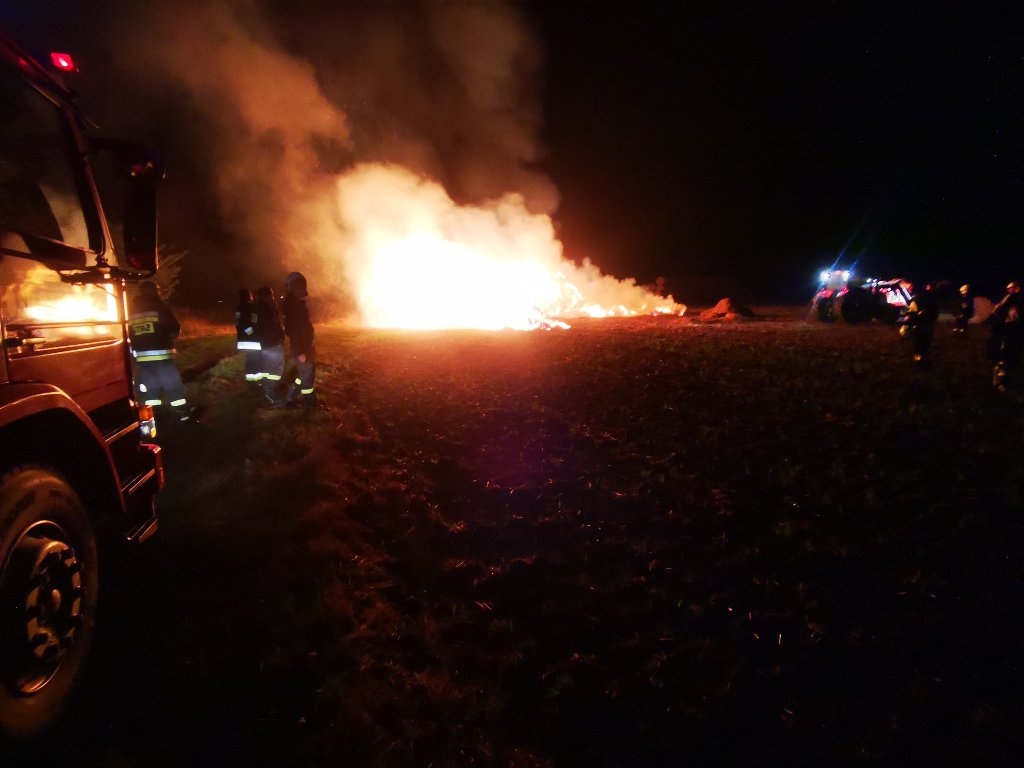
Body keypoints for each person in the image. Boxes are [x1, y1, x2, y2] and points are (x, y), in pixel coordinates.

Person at [128, 281, 193, 421]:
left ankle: (154, 417)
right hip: (162, 356)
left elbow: (131, 334)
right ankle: (183, 415)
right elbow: (174, 329)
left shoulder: (133, 311)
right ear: (154, 291)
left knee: (151, 388)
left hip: (143, 359)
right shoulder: (159, 307)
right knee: (172, 385)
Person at [281, 271, 317, 408]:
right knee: (306, 376)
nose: (301, 289)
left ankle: (291, 399)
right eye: (297, 286)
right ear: (291, 288)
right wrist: (300, 351)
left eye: (302, 285)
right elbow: (293, 331)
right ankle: (308, 401)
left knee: (306, 374)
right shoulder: (292, 306)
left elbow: (304, 328)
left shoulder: (298, 304)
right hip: (301, 348)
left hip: (305, 346)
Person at [253, 285, 286, 407]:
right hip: (272, 343)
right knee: (275, 370)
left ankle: (267, 392)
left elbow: (254, 326)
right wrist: (279, 338)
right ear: (266, 296)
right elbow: (274, 325)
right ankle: (271, 394)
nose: (273, 297)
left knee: (267, 369)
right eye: (271, 295)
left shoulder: (258, 308)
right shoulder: (267, 309)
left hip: (266, 344)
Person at [987, 281, 1023, 391]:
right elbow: (998, 313)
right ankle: (999, 381)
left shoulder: (1018, 300)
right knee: (1003, 357)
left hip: (1016, 332)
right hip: (1006, 332)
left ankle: (1004, 380)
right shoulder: (1007, 300)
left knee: (1012, 357)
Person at [903, 282, 939, 367]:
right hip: (927, 325)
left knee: (919, 342)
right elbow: (934, 312)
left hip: (920, 325)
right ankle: (923, 358)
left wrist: (909, 318)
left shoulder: (918, 299)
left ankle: (920, 359)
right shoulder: (930, 297)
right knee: (925, 343)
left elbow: (913, 312)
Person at [234, 288, 261, 386]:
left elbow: (237, 323)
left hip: (242, 340)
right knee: (256, 360)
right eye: (251, 295)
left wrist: (243, 333)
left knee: (250, 360)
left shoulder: (238, 308)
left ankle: (250, 381)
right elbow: (254, 321)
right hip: (252, 340)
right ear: (248, 296)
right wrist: (251, 332)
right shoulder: (252, 307)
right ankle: (257, 382)